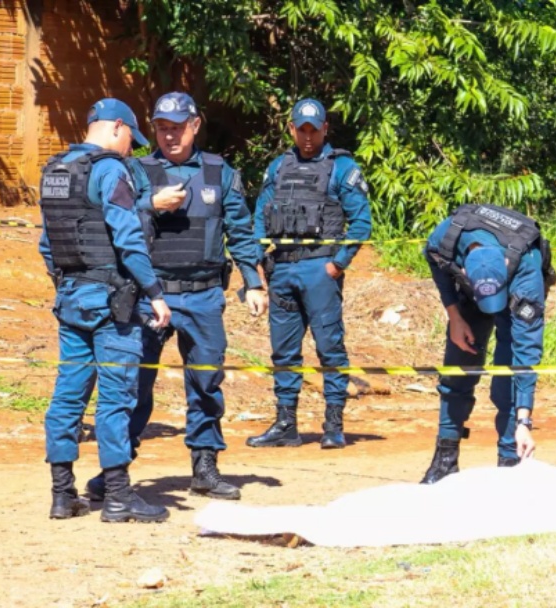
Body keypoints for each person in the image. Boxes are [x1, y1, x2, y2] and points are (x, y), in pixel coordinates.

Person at [81, 92, 269, 502]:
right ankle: (115, 473)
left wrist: (253, 281)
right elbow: (113, 218)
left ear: (195, 125)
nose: (169, 136)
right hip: (152, 296)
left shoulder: (220, 173)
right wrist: (150, 204)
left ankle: (205, 467)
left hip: (203, 296)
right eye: (162, 128)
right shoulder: (136, 170)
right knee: (133, 385)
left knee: (206, 382)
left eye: (177, 128)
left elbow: (239, 230)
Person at [38, 98, 172, 522]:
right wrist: (153, 291)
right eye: (132, 137)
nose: (132, 148)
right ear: (117, 126)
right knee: (117, 397)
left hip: (72, 299)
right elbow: (128, 236)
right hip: (113, 303)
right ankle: (117, 498)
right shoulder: (108, 168)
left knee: (68, 394)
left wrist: (69, 284)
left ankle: (63, 495)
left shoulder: (56, 170)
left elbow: (47, 244)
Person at [247, 98, 372, 449]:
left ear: (324, 129)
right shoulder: (277, 167)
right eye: (301, 129)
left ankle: (333, 425)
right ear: (291, 129)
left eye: (313, 130)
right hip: (282, 269)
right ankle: (286, 424)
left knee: (330, 348)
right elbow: (261, 215)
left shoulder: (341, 168)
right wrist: (255, 263)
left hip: (320, 269)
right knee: (283, 352)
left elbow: (361, 222)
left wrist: (338, 263)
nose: (307, 137)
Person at [419, 203, 556, 484]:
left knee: (506, 379)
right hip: (467, 297)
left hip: (514, 298)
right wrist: (455, 316)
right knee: (457, 371)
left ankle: (509, 462)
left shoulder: (525, 271)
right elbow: (436, 264)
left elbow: (526, 351)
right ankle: (445, 459)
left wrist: (524, 421)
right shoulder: (445, 238)